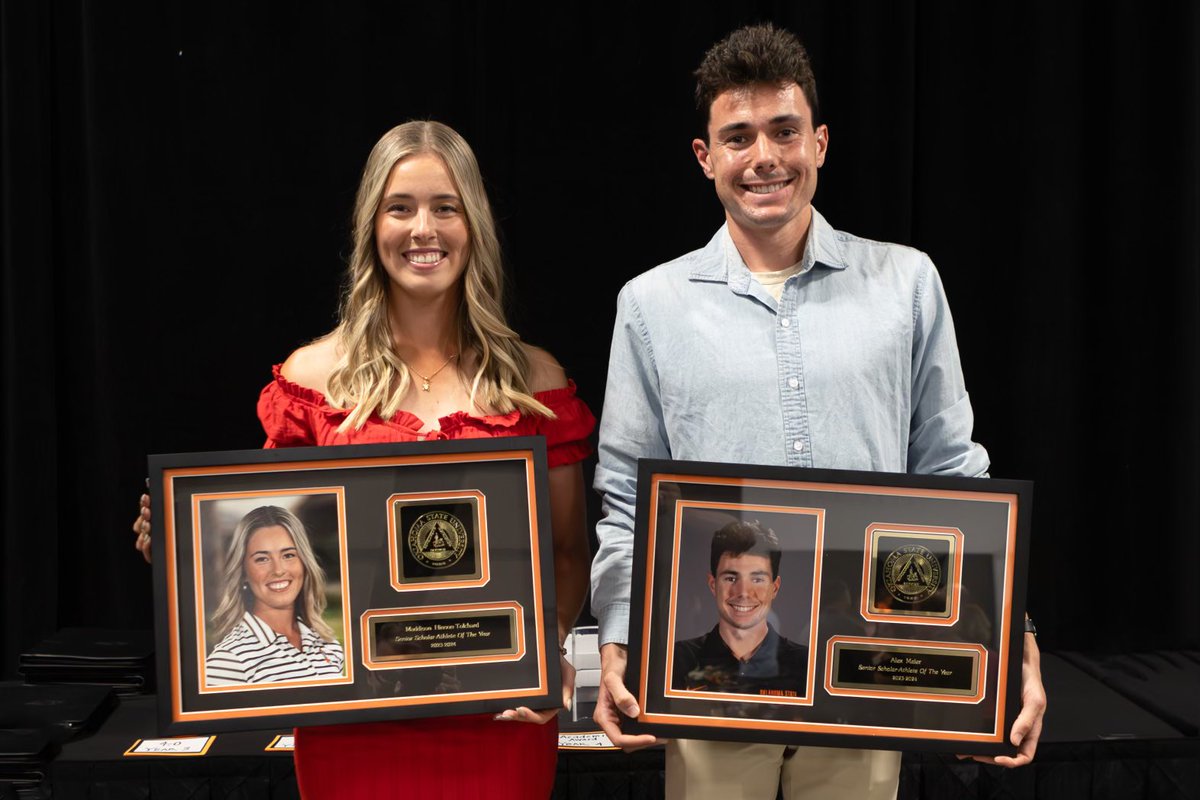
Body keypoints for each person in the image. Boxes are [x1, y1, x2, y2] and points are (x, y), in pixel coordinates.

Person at [589, 23, 1046, 800]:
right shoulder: (650, 306)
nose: (763, 156)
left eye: (784, 131)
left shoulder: (905, 283)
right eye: (738, 136)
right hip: (709, 691)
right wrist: (620, 642)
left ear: (821, 143)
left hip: (866, 675)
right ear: (706, 158)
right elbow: (628, 502)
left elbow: (956, 478)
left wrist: (1015, 645)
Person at [134, 120, 594, 798]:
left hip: (500, 721)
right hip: (354, 727)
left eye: (446, 207)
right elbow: (271, 537)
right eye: (399, 207)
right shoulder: (311, 379)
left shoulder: (534, 380)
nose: (422, 229)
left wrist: (544, 650)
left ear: (475, 224)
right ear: (370, 226)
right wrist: (184, 551)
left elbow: (565, 554)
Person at [205, 504, 345, 686]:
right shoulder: (228, 662)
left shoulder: (328, 645)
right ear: (244, 573)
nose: (278, 570)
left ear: (304, 563)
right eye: (262, 559)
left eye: (288, 555)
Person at [673, 520, 808, 696]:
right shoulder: (676, 659)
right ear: (713, 584)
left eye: (757, 579)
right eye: (730, 578)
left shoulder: (806, 664)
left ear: (774, 588)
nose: (743, 593)